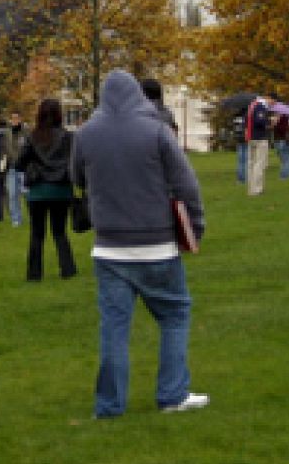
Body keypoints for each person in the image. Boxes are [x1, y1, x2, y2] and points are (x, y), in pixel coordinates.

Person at [72, 71, 207, 418]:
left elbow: (76, 177)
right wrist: (195, 227)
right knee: (175, 316)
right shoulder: (157, 131)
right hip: (157, 244)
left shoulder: (86, 134)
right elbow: (186, 184)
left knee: (114, 329)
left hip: (109, 248)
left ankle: (109, 405)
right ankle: (172, 394)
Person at [16, 99, 77, 281]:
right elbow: (74, 161)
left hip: (38, 190)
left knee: (37, 233)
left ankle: (34, 273)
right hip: (60, 189)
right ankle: (67, 268)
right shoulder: (67, 137)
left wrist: (32, 168)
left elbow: (19, 163)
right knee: (59, 231)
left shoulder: (33, 137)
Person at [244, 97, 270, 196]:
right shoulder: (260, 107)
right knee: (260, 163)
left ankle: (251, 187)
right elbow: (260, 120)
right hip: (260, 137)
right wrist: (268, 122)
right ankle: (257, 188)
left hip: (251, 137)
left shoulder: (251, 106)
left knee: (251, 163)